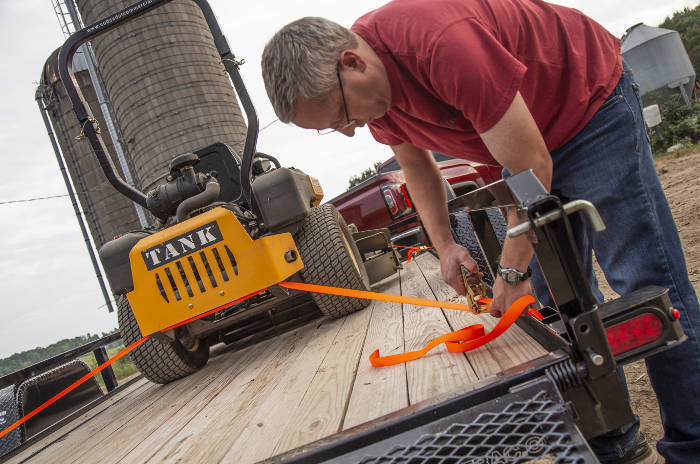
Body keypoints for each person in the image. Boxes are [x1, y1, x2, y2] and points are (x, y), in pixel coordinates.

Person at [261, 1, 700, 462]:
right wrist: (445, 245)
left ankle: (691, 446)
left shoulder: (439, 41)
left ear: (352, 62)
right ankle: (611, 433)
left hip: (587, 111)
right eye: (335, 129)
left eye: (343, 117)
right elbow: (417, 167)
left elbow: (532, 165)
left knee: (648, 281)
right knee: (559, 299)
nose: (351, 133)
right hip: (520, 151)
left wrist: (510, 273)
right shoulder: (376, 99)